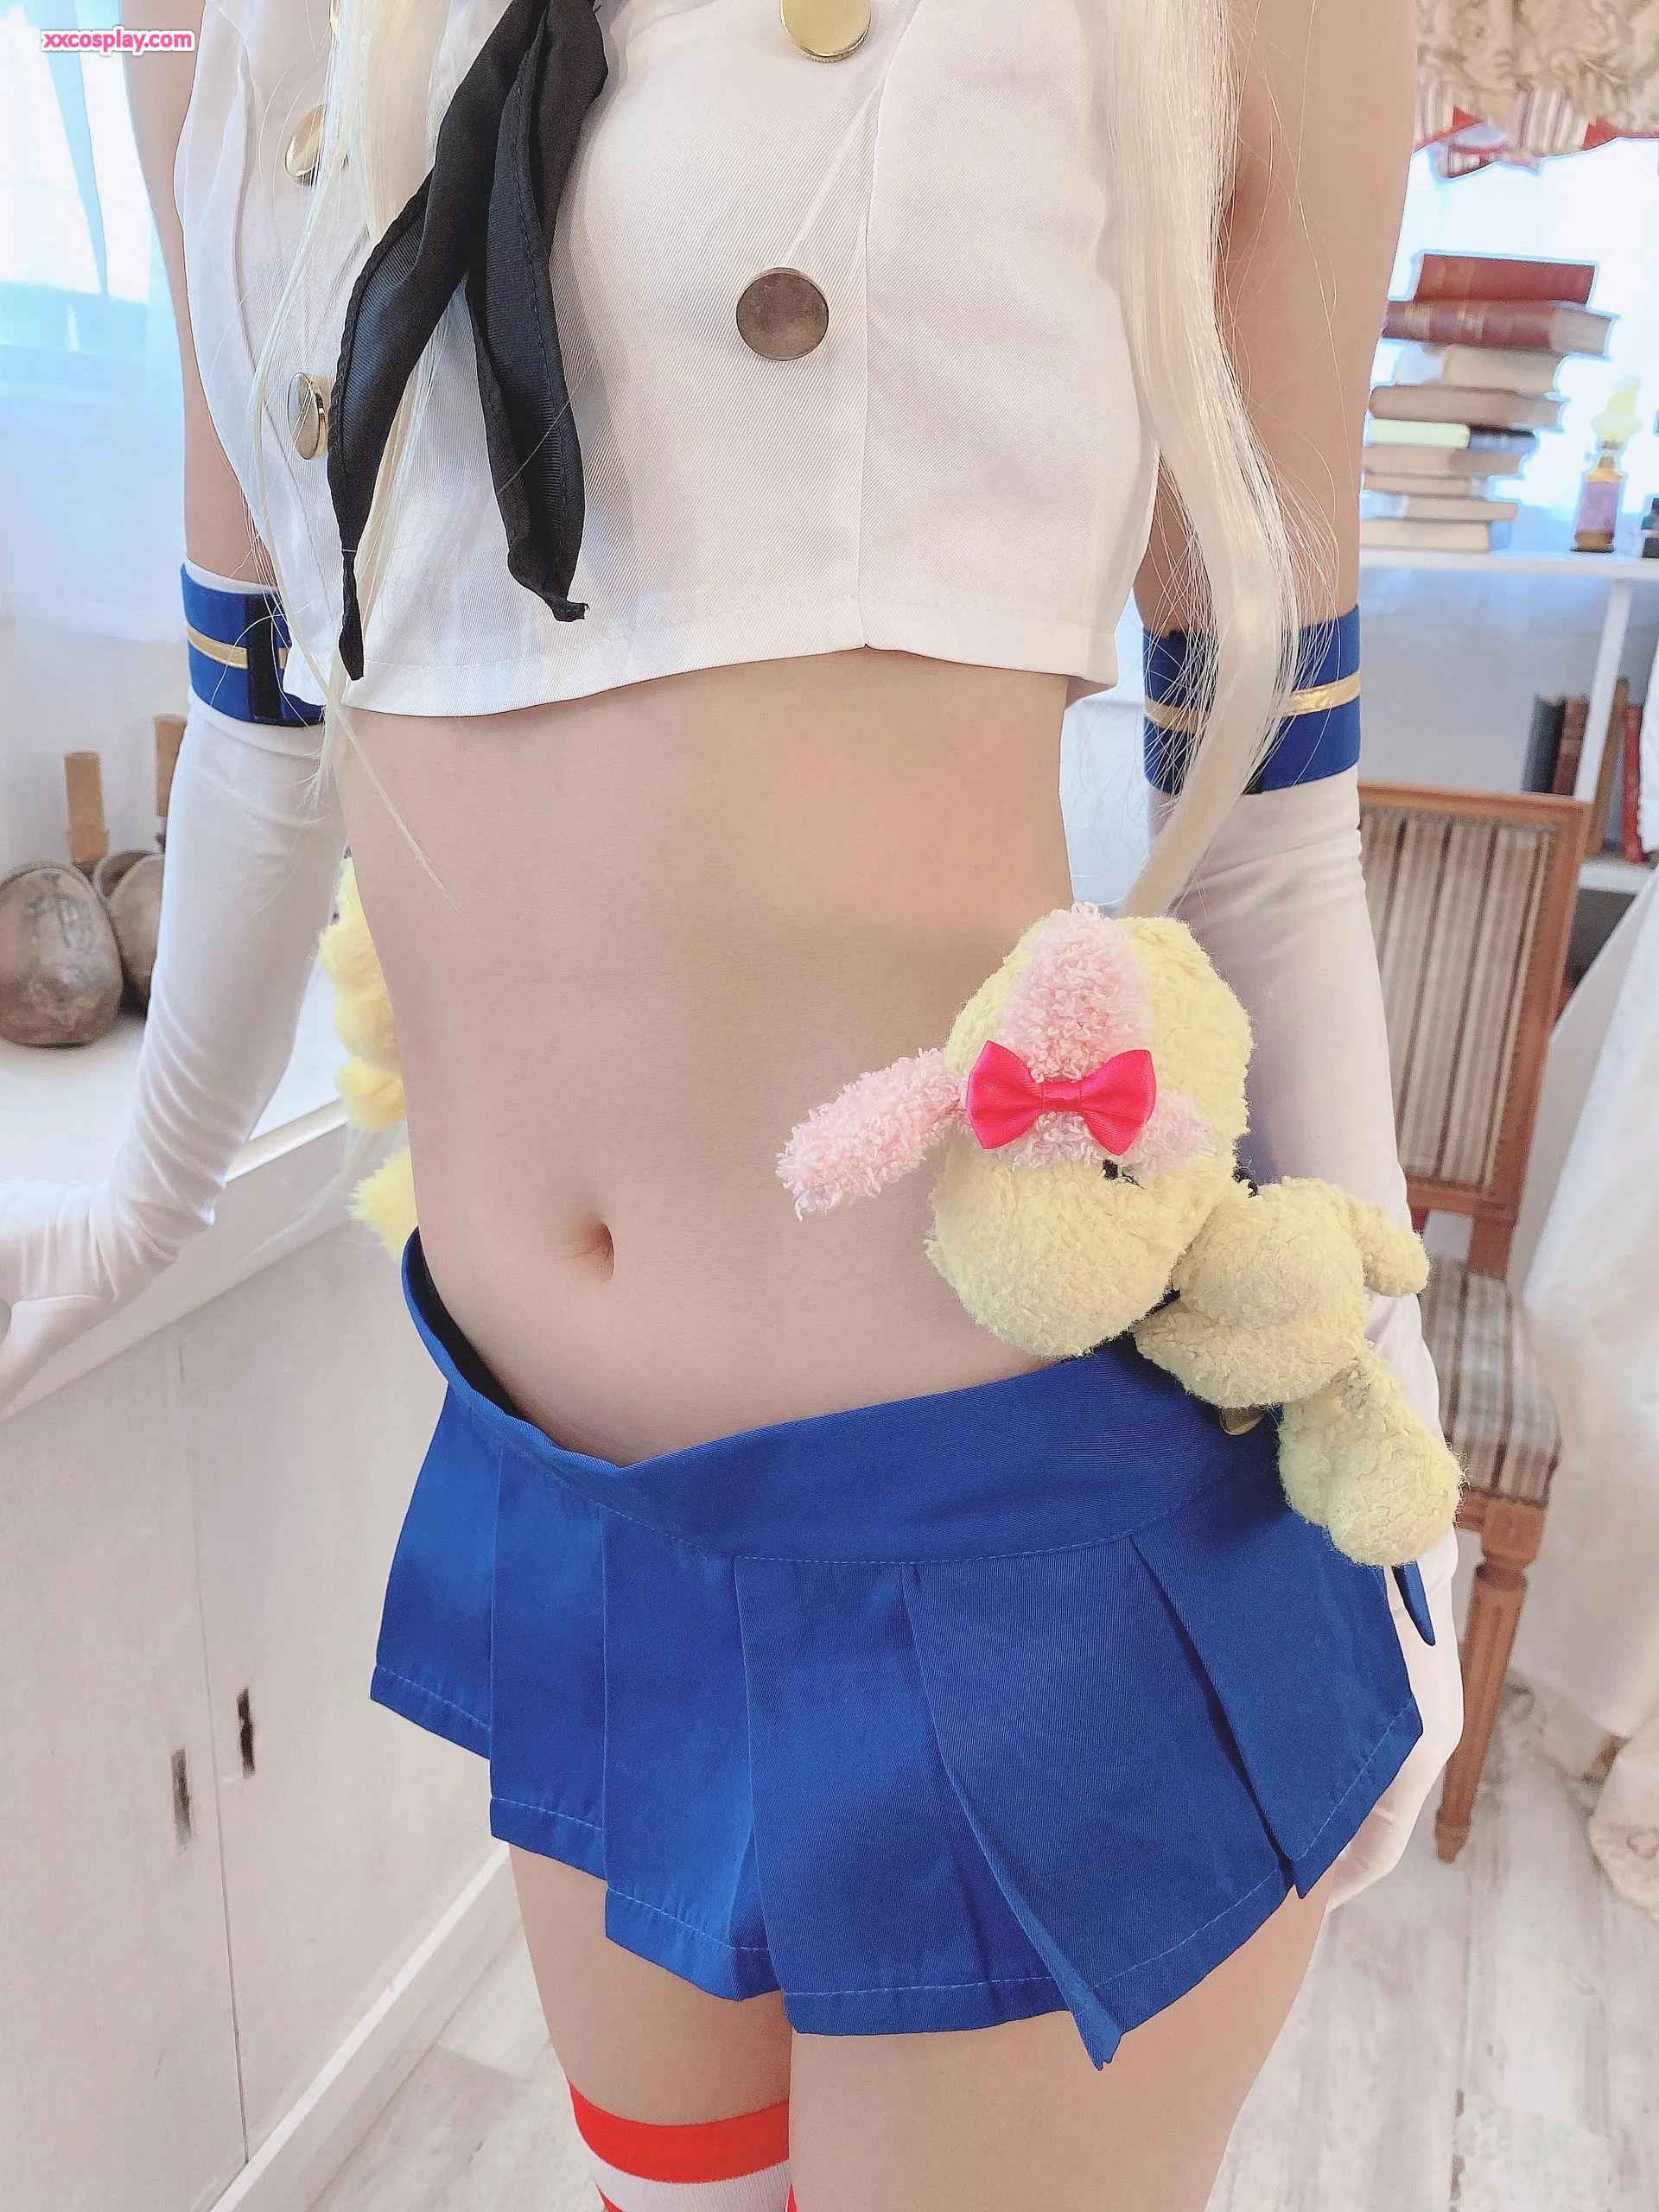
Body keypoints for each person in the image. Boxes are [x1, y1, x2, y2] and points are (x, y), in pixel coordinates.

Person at [0, 1, 1464, 2205]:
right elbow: (263, 728)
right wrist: (144, 1201)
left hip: (1023, 1520)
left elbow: (1263, 811)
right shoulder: (234, 34)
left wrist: (1390, 1432)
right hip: (562, 1502)